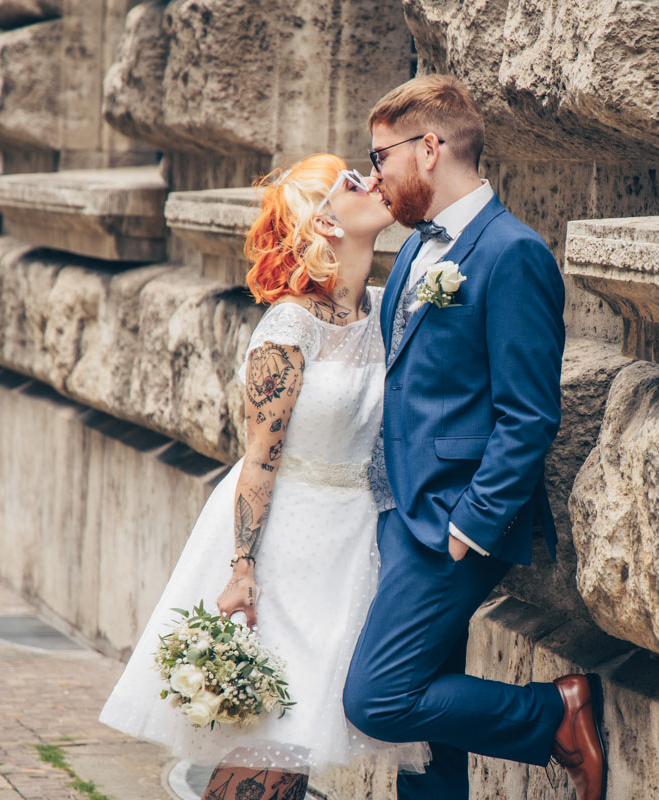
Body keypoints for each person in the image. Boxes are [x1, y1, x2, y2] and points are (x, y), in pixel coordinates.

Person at [99, 153, 429, 800]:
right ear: (327, 224)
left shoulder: (390, 310)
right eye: (351, 183)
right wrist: (242, 567)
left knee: (297, 743)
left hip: (352, 539)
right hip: (282, 544)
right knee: (270, 742)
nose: (374, 183)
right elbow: (259, 459)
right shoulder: (287, 326)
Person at [342, 76, 606, 800]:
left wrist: (473, 526)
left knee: (378, 698)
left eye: (381, 156)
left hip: (450, 522)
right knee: (429, 722)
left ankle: (555, 713)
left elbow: (528, 412)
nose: (376, 175)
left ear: (428, 148)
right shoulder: (417, 255)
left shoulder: (511, 253)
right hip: (402, 512)